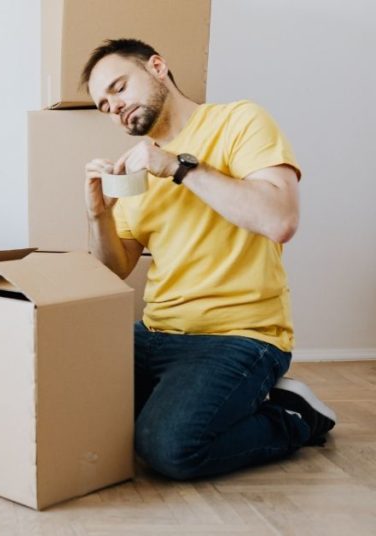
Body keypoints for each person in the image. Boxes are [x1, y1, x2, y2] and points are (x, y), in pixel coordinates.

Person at [80, 39, 336, 480]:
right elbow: (115, 267)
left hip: (238, 335)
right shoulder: (136, 168)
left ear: (158, 67)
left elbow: (280, 220)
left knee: (169, 448)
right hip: (155, 331)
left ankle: (292, 415)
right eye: (104, 105)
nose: (114, 107)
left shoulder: (239, 120)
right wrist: (97, 215)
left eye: (119, 88)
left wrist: (178, 167)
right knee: (68, 400)